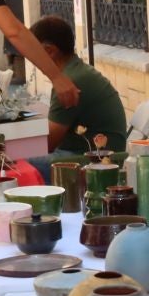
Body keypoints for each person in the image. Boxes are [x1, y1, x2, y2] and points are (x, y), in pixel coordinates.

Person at [22, 14, 128, 181]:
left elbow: (48, 144)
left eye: (33, 52)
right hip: (95, 154)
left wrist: (9, 148)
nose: (30, 58)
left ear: (50, 51)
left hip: (94, 162)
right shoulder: (74, 71)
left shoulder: (69, 83)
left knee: (14, 162)